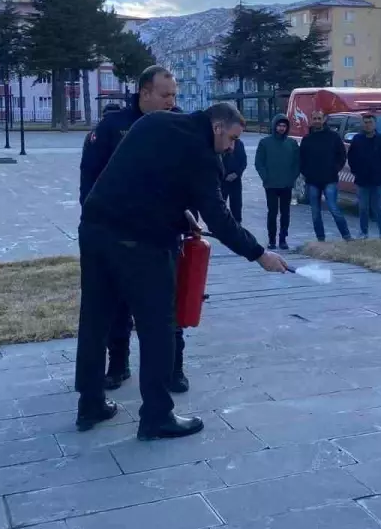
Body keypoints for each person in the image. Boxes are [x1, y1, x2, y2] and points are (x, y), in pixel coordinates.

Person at [76, 103, 290, 440]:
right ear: (218, 126)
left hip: (95, 228)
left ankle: (90, 404)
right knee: (158, 327)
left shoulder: (155, 122)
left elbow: (146, 179)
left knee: (94, 320)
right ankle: (157, 417)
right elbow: (220, 219)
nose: (232, 147)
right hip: (141, 243)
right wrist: (259, 253)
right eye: (232, 138)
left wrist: (180, 216)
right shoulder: (202, 155)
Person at [80, 65, 179, 391]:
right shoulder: (113, 126)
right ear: (144, 92)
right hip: (117, 235)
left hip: (163, 232)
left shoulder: (178, 124)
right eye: (165, 95)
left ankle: (174, 369)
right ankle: (118, 365)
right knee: (117, 304)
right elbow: (90, 178)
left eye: (174, 95)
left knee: (170, 304)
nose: (170, 101)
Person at [299, 110, 351, 241]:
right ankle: (321, 239)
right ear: (312, 119)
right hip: (312, 181)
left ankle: (347, 236)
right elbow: (301, 159)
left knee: (334, 208)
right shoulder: (307, 139)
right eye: (314, 118)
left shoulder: (333, 137)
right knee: (315, 212)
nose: (317, 121)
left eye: (319, 118)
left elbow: (342, 155)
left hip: (330, 179)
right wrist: (306, 172)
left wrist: (335, 169)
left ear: (324, 119)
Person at [254, 114, 300, 250]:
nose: (281, 128)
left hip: (286, 184)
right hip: (271, 185)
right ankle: (272, 239)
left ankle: (283, 239)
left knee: (285, 213)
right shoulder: (265, 142)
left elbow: (297, 163)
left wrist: (292, 177)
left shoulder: (291, 143)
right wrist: (265, 177)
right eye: (279, 125)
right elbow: (259, 162)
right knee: (272, 212)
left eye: (284, 126)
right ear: (275, 126)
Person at [347, 112, 381, 238]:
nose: (367, 125)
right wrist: (356, 170)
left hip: (378, 180)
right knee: (363, 208)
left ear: (375, 124)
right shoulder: (357, 139)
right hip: (362, 180)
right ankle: (363, 232)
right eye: (365, 123)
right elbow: (351, 157)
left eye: (370, 122)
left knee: (380, 209)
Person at [220, 139, 246, 224]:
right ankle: (221, 225)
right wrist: (223, 176)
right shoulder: (219, 142)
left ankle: (237, 226)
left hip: (236, 181)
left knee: (236, 205)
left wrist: (237, 174)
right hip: (221, 181)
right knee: (220, 205)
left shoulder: (239, 144)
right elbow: (216, 161)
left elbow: (243, 162)